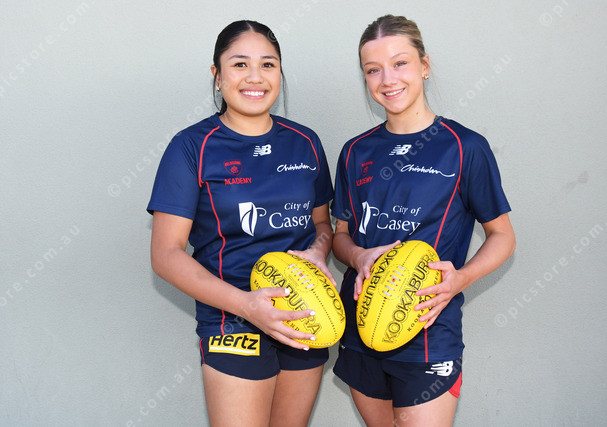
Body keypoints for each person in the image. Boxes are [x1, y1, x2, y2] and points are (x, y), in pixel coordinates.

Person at [331, 15, 516, 426]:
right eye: (373, 70)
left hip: (429, 332)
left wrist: (460, 279)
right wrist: (358, 257)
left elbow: (502, 235)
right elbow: (341, 235)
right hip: (362, 326)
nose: (387, 79)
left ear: (424, 66)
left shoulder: (465, 146)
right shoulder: (355, 151)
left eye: (400, 63)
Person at [147, 20, 334, 427]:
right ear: (217, 75)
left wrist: (320, 250)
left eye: (268, 64)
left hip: (305, 311)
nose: (255, 77)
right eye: (239, 64)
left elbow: (322, 225)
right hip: (232, 320)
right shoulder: (191, 147)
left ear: (280, 73)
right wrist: (247, 306)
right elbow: (165, 254)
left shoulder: (305, 142)